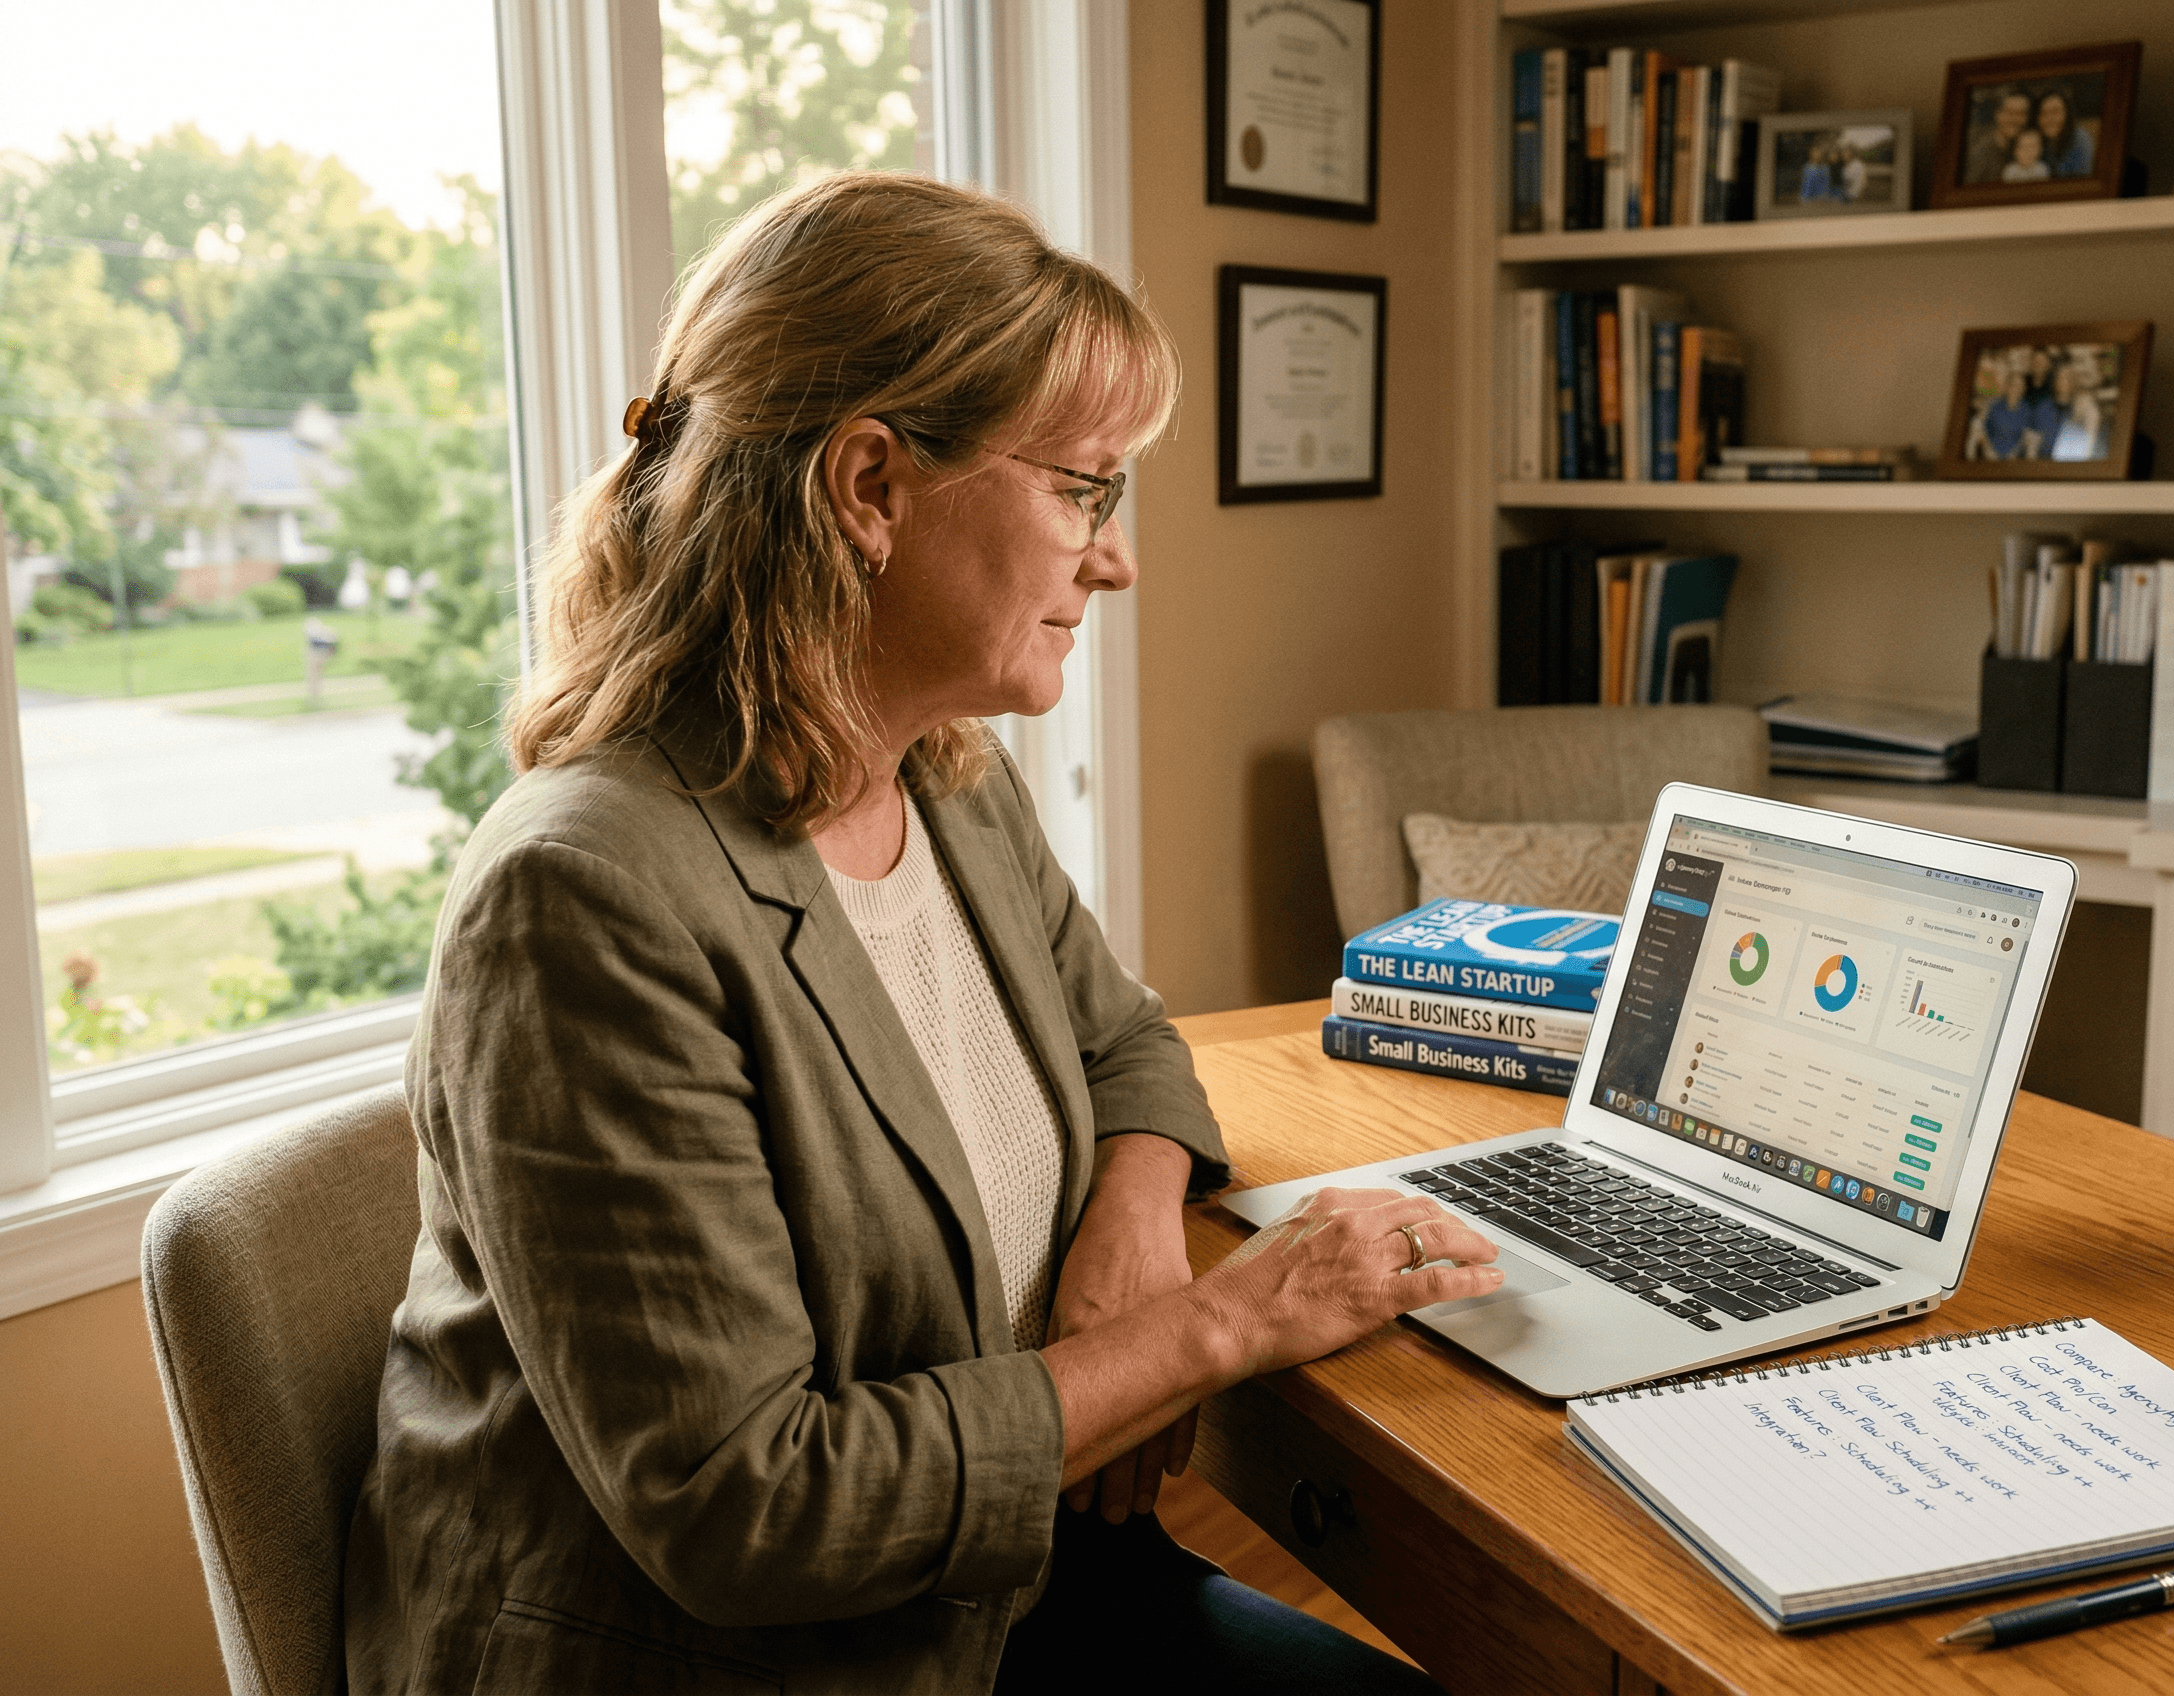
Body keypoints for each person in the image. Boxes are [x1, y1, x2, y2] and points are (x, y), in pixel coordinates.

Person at [341, 171, 1502, 1695]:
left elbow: (1131, 1041)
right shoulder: (584, 896)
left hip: (988, 1588)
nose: (1117, 558)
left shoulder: (945, 773)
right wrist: (1213, 1332)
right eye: (1085, 488)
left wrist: (1130, 1240)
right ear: (872, 488)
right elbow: (751, 1508)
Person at [1964, 86, 2032, 183]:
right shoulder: (1980, 154)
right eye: (2010, 113)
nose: (2016, 119)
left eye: (2021, 113)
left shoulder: (2020, 147)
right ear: (1998, 115)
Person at [1974, 366, 2035, 459]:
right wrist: (1988, 449)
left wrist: (2014, 453)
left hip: (2013, 456)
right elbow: (1984, 429)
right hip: (1991, 453)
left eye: (2020, 385)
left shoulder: (2027, 410)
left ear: (2024, 388)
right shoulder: (1995, 405)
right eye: (2013, 384)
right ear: (2007, 386)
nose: (2016, 388)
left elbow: (2025, 436)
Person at [2036, 87, 2096, 179]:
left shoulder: (2080, 139)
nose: (2049, 119)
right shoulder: (2036, 141)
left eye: (2055, 112)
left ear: (2067, 114)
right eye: (2044, 113)